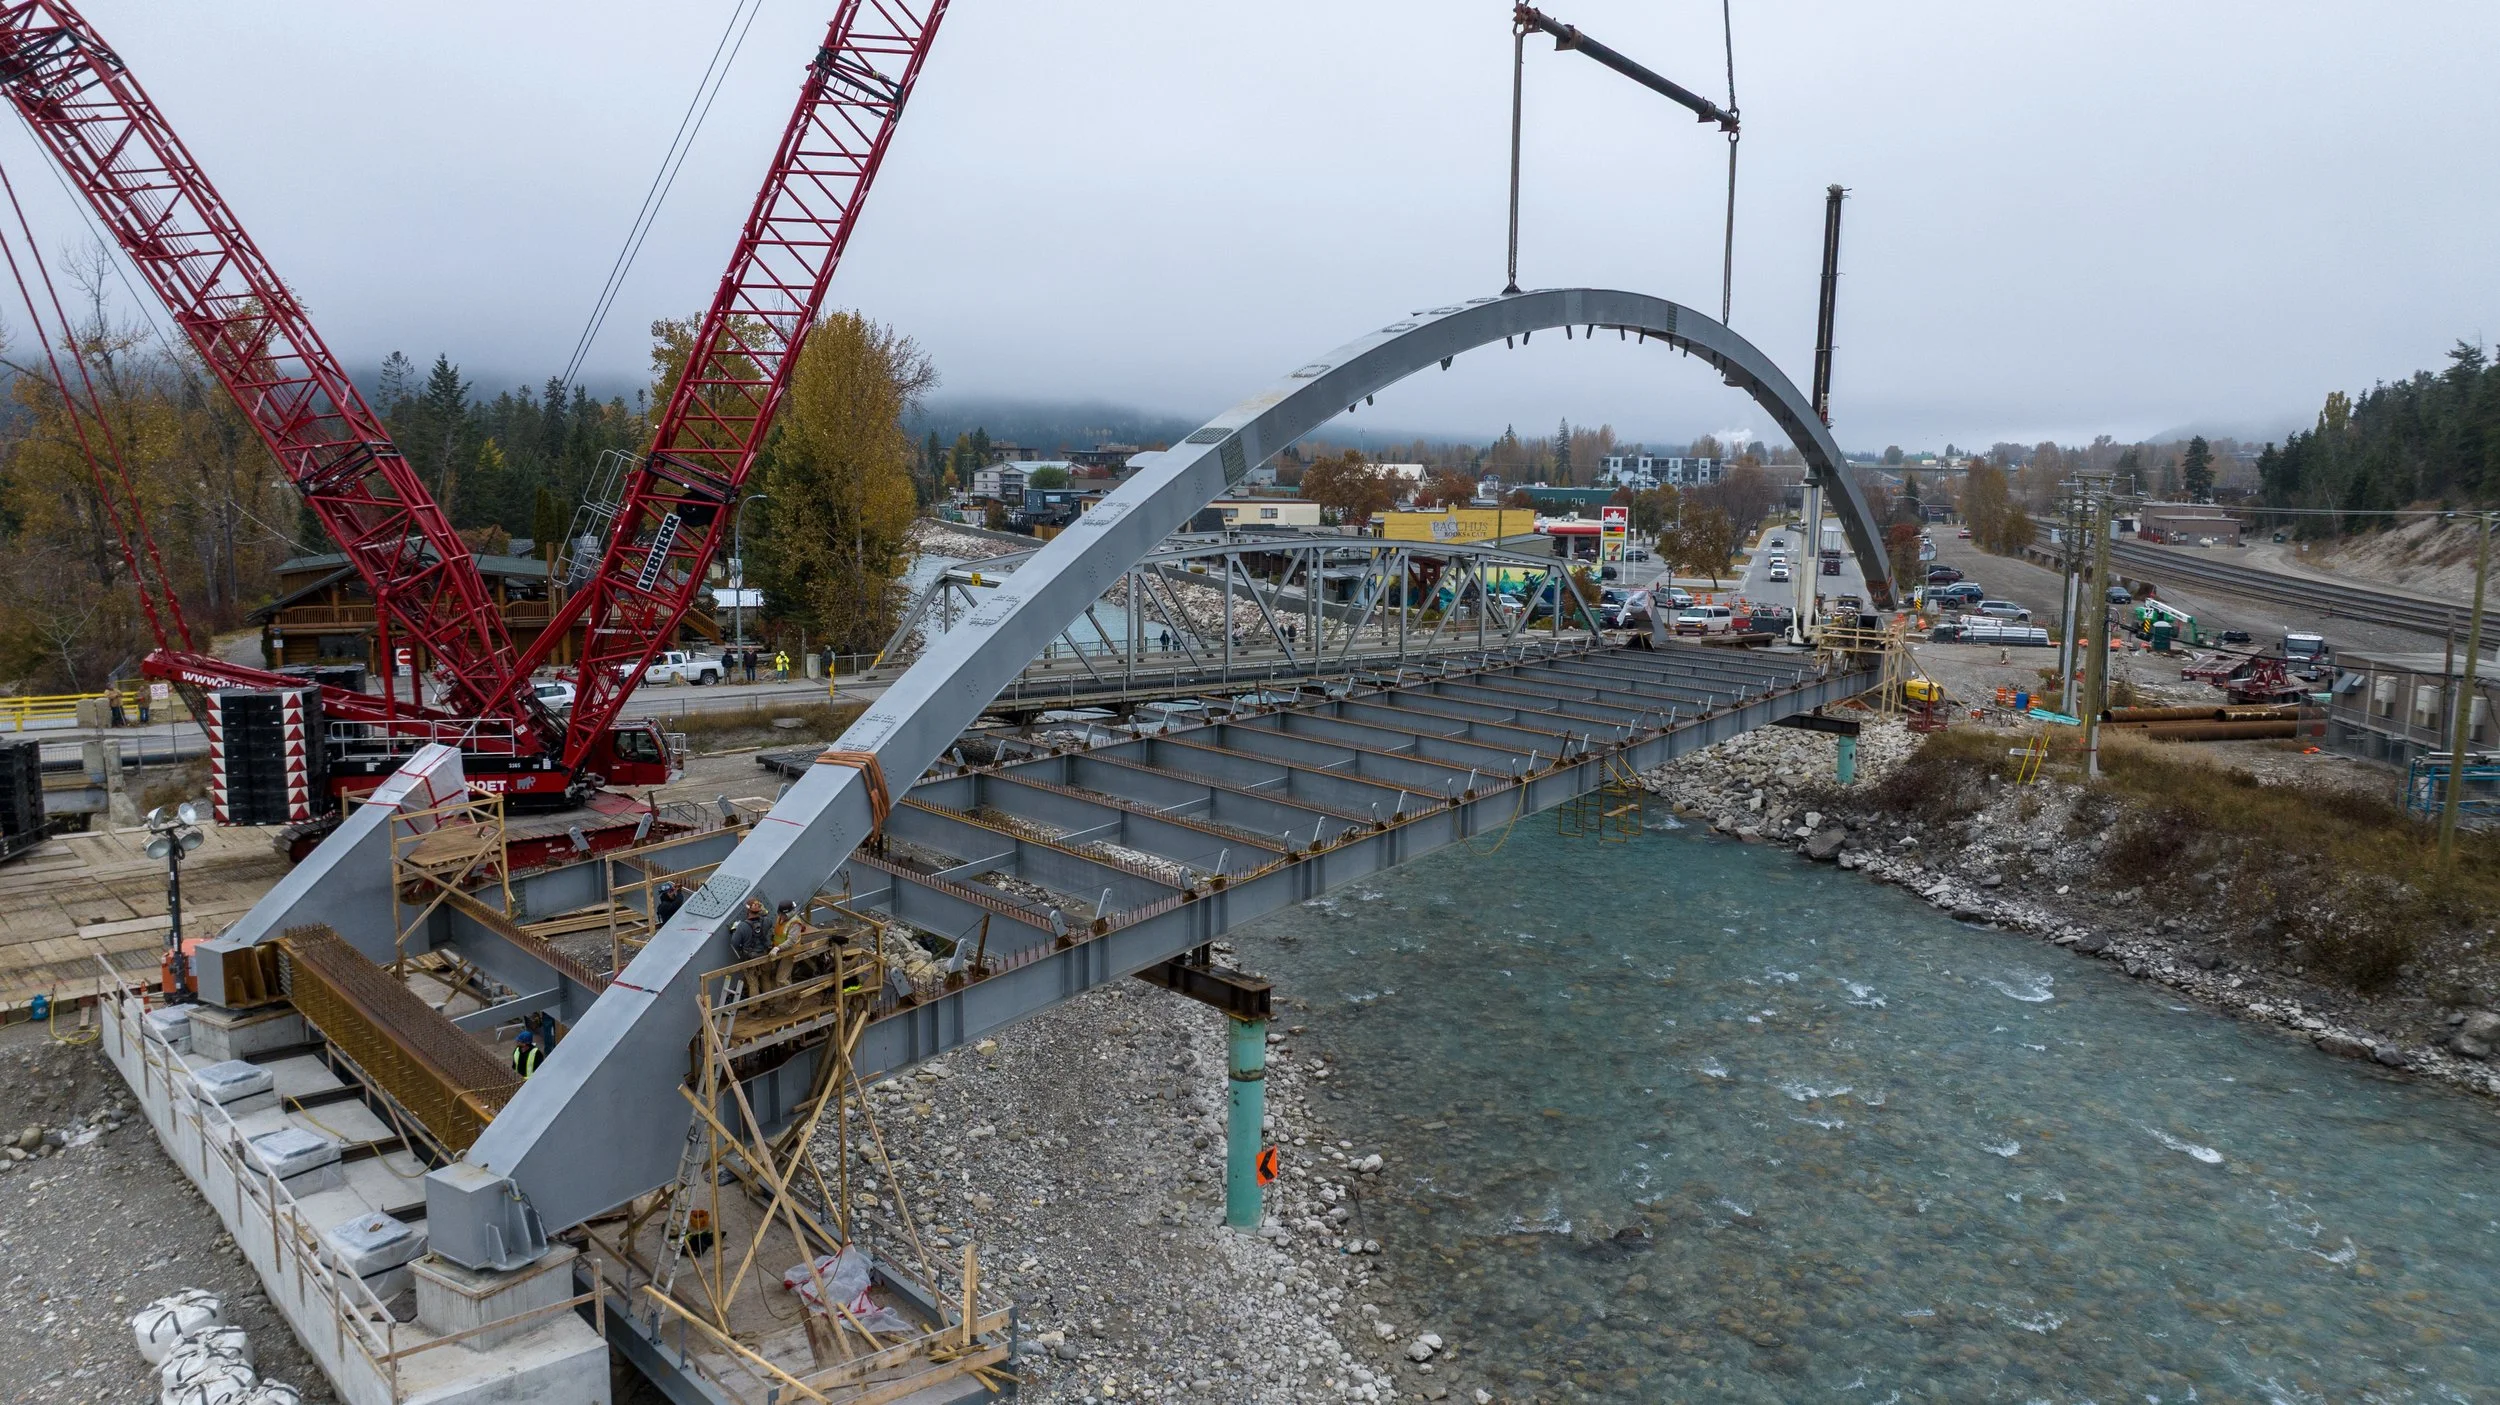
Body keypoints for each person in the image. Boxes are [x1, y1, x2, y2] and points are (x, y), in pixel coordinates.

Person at [732, 895, 774, 961]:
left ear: (748, 910)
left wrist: (734, 931)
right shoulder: (767, 921)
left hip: (752, 958)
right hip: (767, 954)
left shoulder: (742, 926)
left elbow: (735, 943)